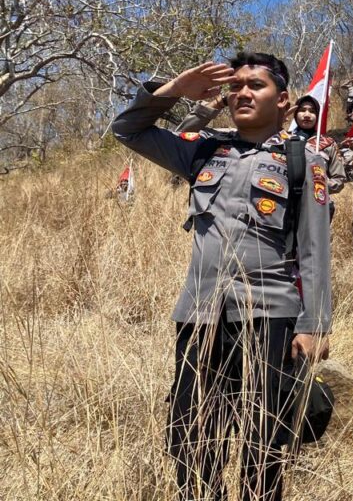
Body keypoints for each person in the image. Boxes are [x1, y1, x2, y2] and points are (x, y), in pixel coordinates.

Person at [113, 55, 331, 501]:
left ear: (284, 100)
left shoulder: (302, 163)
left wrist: (314, 324)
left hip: (267, 316)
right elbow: (127, 131)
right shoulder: (204, 150)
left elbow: (314, 248)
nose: (243, 93)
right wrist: (174, 87)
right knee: (190, 440)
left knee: (262, 445)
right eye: (236, 86)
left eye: (256, 85)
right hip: (199, 315)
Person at [292, 95, 346, 195]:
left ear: (318, 116)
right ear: (295, 114)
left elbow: (339, 180)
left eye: (312, 111)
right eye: (302, 110)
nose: (307, 115)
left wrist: (318, 185)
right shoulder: (284, 139)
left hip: (318, 204)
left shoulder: (328, 143)